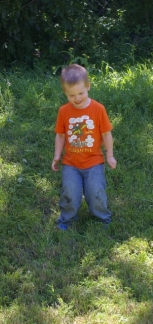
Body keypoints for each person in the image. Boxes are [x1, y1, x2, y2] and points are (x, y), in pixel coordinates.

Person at [51, 64, 116, 230]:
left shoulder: (98, 109)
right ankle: (66, 219)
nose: (77, 98)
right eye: (71, 95)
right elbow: (60, 135)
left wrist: (109, 155)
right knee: (69, 193)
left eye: (81, 93)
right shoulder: (64, 111)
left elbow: (106, 134)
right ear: (65, 92)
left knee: (96, 192)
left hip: (94, 162)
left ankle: (103, 218)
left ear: (88, 86)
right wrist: (57, 155)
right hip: (71, 163)